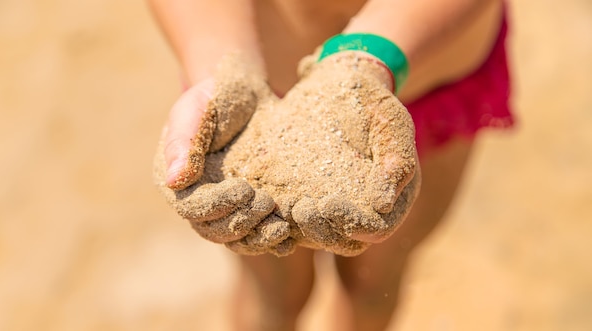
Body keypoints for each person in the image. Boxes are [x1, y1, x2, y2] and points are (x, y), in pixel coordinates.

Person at [148, 0, 514, 330]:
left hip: (419, 80)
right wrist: (222, 68)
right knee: (274, 295)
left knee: (374, 284)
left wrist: (365, 57)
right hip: (249, 98)